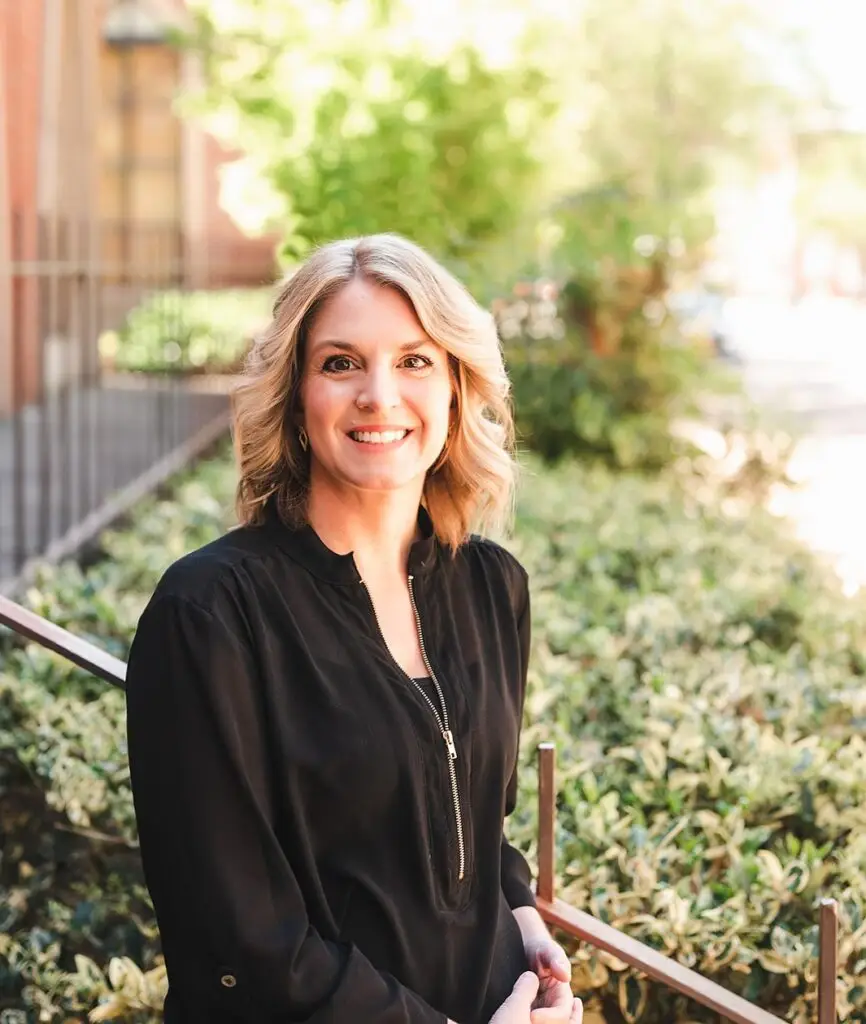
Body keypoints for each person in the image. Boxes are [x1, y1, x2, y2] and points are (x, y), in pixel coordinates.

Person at [125, 233, 582, 1024]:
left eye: (415, 361)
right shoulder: (209, 614)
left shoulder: (491, 584)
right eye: (340, 363)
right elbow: (238, 932)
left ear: (454, 389)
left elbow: (467, 810)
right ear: (296, 395)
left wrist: (519, 914)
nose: (379, 394)